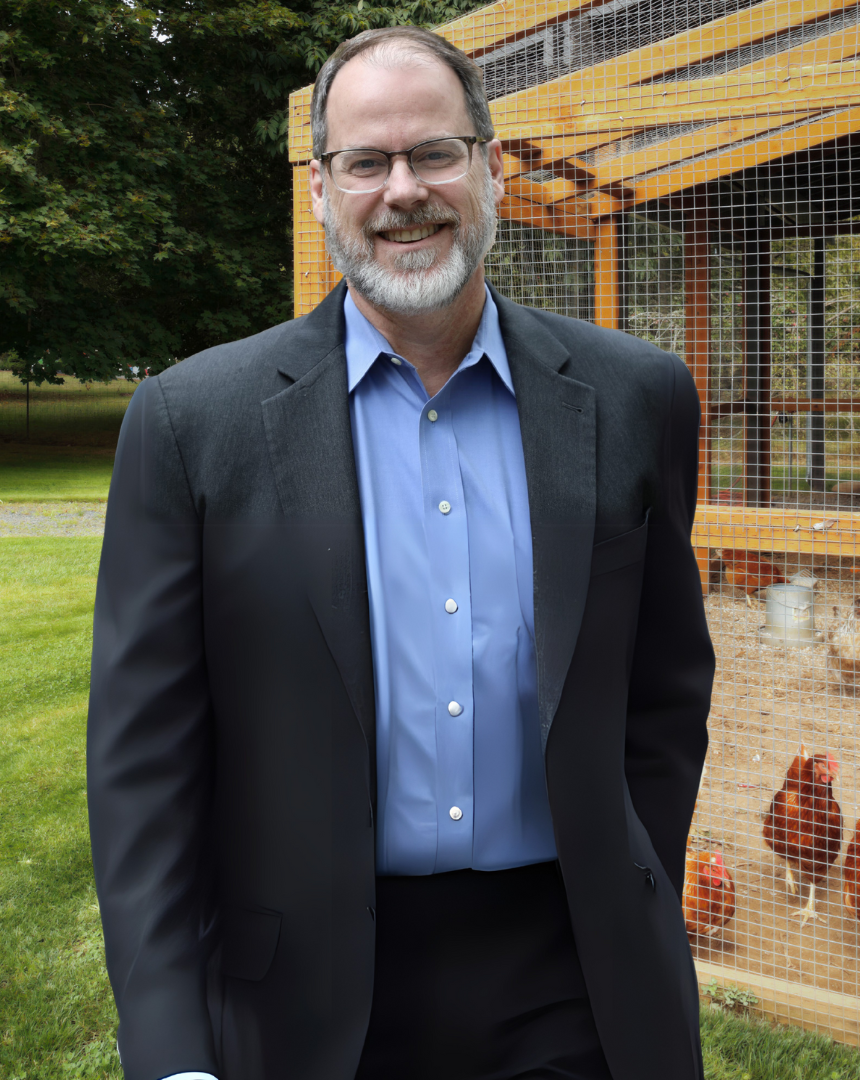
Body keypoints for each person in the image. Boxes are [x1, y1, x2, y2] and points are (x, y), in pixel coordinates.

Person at [87, 26, 714, 1080]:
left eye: (434, 153)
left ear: (492, 167)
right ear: (323, 190)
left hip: (577, 983)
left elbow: (665, 688)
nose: (402, 191)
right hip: (304, 996)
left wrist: (629, 873)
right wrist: (168, 1044)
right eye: (366, 162)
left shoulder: (634, 395)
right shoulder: (194, 422)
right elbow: (143, 767)